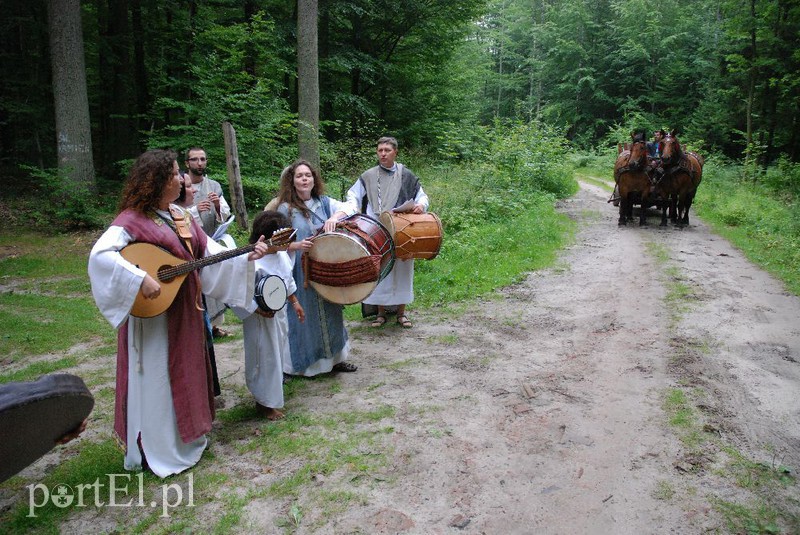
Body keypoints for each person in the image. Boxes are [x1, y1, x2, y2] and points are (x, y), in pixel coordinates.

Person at [88, 149, 271, 478]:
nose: (181, 178)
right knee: (158, 376)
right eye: (174, 174)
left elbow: (210, 254)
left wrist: (247, 257)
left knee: (184, 370)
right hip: (154, 321)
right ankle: (156, 446)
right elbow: (101, 256)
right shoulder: (133, 219)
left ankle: (185, 439)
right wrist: (138, 277)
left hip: (184, 311)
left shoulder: (181, 216)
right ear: (157, 180)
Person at [277, 159, 359, 376]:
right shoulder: (285, 209)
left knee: (332, 312)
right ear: (292, 182)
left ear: (314, 179)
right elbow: (274, 243)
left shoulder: (323, 203)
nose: (304, 179)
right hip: (300, 271)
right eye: (299, 176)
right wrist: (296, 245)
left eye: (308, 175)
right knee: (305, 316)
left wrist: (334, 217)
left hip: (324, 270)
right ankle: (306, 365)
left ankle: (335, 361)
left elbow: (352, 207)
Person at [346, 136, 429, 329]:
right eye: (380, 150)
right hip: (376, 230)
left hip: (402, 229)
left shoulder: (406, 175)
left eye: (387, 150)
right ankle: (380, 313)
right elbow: (353, 195)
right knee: (380, 270)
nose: (383, 154)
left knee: (403, 271)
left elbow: (422, 196)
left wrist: (420, 205)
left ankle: (401, 313)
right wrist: (352, 210)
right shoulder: (368, 175)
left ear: (395, 152)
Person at [231, 211, 305, 420]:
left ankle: (272, 394)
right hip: (259, 319)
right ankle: (264, 403)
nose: (286, 245)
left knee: (277, 352)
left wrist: (295, 302)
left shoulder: (280, 255)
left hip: (278, 315)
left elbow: (286, 280)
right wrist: (256, 309)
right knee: (263, 357)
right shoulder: (252, 261)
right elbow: (237, 291)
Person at [184, 147, 233, 338]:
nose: (199, 163)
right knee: (195, 284)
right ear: (187, 163)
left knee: (213, 282)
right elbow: (173, 213)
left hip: (210, 241)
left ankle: (212, 326)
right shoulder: (180, 185)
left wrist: (218, 205)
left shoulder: (213, 185)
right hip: (189, 245)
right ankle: (196, 325)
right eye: (195, 160)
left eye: (203, 159)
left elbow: (225, 214)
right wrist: (195, 209)